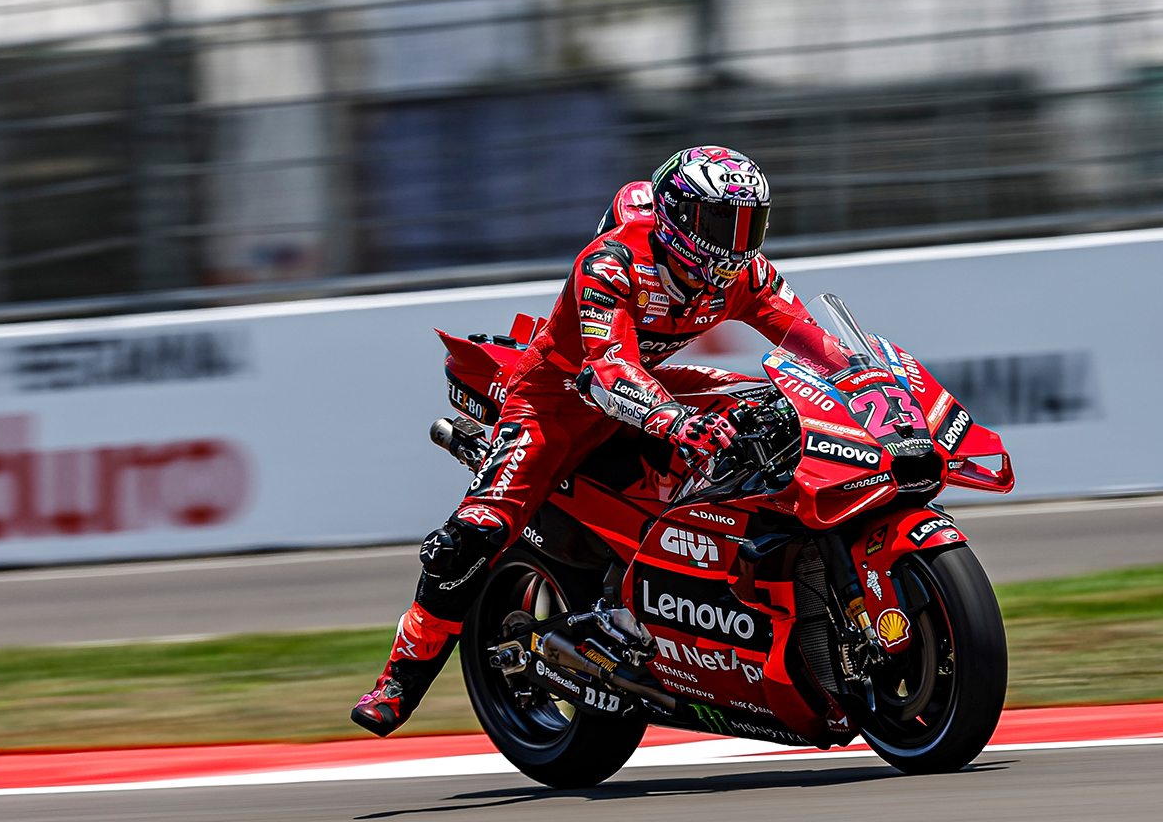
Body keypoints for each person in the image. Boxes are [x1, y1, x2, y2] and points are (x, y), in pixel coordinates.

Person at [352, 146, 843, 736]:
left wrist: (862, 387)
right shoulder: (610, 265)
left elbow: (813, 345)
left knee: (770, 407)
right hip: (557, 401)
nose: (737, 241)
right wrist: (680, 423)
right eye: (721, 223)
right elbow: (608, 370)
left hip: (651, 383)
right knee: (470, 538)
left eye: (750, 224)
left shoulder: (748, 273)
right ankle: (399, 679)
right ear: (680, 218)